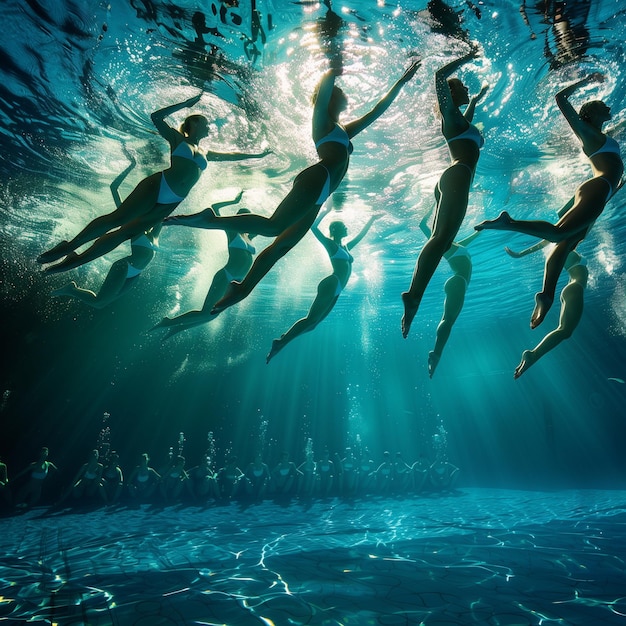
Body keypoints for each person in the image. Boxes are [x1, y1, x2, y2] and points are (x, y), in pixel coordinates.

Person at [165, 61, 420, 316]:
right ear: (331, 98)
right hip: (317, 178)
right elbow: (323, 92)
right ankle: (212, 219)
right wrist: (333, 66)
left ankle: (242, 289)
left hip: (320, 194)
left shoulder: (344, 129)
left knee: (281, 247)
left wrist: (400, 83)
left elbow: (377, 111)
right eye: (341, 93)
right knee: (274, 226)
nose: (347, 97)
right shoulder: (322, 122)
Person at [37, 94, 269, 273]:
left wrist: (257, 156)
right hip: (158, 185)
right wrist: (186, 104)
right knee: (118, 218)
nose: (209, 126)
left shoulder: (206, 152)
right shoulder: (178, 138)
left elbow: (233, 156)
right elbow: (156, 117)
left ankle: (77, 260)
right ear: (193, 125)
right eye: (205, 122)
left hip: (172, 202)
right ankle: (69, 246)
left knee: (124, 234)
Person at [475, 73, 623, 328]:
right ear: (590, 114)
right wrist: (586, 81)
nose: (608, 107)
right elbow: (560, 99)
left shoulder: (603, 134)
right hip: (598, 188)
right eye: (602, 105)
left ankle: (546, 294)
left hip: (600, 189)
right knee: (558, 235)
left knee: (566, 243)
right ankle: (509, 222)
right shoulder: (587, 133)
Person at [402, 49, 488, 338]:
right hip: (458, 174)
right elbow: (439, 76)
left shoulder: (460, 120)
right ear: (450, 94)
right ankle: (413, 295)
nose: (466, 86)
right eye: (462, 85)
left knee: (442, 239)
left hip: (455, 177)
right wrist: (468, 55)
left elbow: (469, 124)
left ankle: (413, 295)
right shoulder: (450, 116)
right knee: (441, 239)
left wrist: (476, 100)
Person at [266, 207, 379, 363]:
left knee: (313, 325)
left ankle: (284, 339)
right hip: (331, 284)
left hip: (337, 288)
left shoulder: (345, 247)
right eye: (344, 227)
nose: (347, 228)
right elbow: (313, 227)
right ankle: (280, 342)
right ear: (336, 230)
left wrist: (372, 220)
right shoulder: (330, 244)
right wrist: (326, 210)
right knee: (310, 319)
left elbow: (361, 236)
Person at [49, 151, 161, 307]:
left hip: (136, 273)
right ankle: (72, 289)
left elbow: (164, 205)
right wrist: (132, 166)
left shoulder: (155, 230)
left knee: (102, 304)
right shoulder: (133, 222)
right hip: (126, 267)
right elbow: (114, 188)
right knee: (99, 302)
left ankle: (71, 289)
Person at [150, 192, 256, 338]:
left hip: (237, 281)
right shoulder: (231, 229)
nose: (246, 221)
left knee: (212, 316)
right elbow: (214, 208)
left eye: (248, 219)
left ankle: (177, 329)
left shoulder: (250, 236)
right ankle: (168, 322)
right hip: (226, 276)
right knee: (206, 312)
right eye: (243, 218)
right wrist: (233, 200)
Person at [418, 206, 480, 377]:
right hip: (458, 281)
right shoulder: (445, 245)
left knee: (448, 319)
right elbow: (423, 227)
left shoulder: (456, 245)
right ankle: (436, 353)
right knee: (448, 320)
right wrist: (432, 208)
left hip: (458, 283)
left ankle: (436, 353)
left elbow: (472, 238)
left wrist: (481, 229)